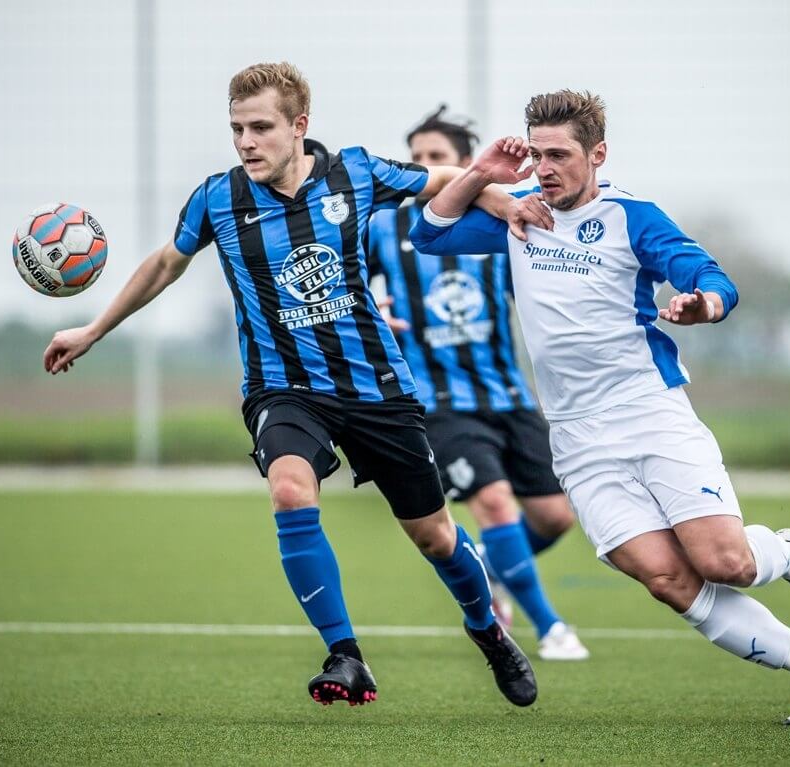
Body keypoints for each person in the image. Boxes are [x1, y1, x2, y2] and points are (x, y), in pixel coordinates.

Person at [42, 62, 543, 708]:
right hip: (282, 389)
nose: (245, 142)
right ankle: (345, 653)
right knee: (288, 488)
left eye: (260, 128)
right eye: (236, 129)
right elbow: (166, 263)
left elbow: (443, 181)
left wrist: (501, 198)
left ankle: (488, 630)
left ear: (299, 125)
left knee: (436, 535)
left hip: (375, 385)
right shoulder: (217, 199)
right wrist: (93, 329)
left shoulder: (355, 172)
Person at [409, 89, 790, 726]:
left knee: (725, 563)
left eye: (560, 155)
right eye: (537, 154)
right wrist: (483, 173)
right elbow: (427, 235)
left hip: (649, 413)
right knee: (668, 580)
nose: (545, 168)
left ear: (597, 154)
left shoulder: (632, 217)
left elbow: (712, 278)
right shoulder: (521, 213)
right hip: (576, 437)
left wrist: (703, 305)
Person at [368, 107, 588, 661]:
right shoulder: (385, 226)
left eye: (436, 157)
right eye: (416, 158)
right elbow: (346, 288)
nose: (423, 166)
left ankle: (491, 567)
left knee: (556, 516)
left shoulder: (502, 224)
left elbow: (545, 289)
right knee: (493, 502)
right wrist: (373, 309)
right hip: (438, 401)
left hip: (508, 393)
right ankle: (551, 627)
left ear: (466, 163)